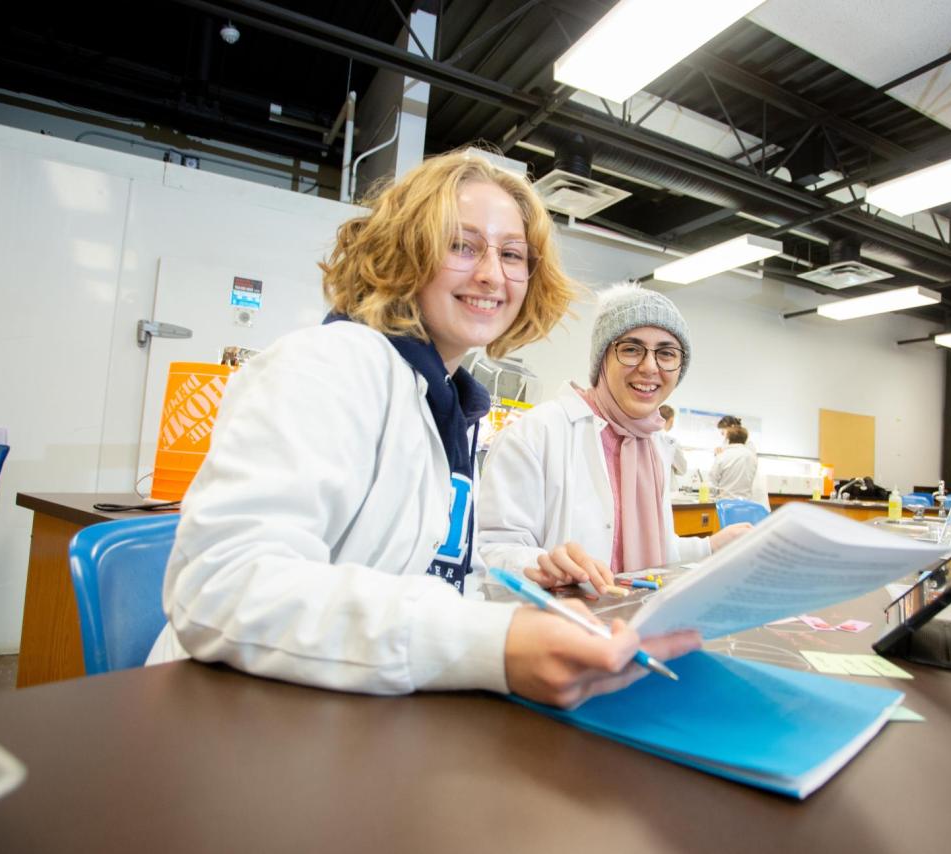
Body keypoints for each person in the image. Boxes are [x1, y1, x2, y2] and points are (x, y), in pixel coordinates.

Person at [145, 150, 699, 709]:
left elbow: (421, 572)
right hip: (224, 718)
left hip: (341, 711)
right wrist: (494, 643)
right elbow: (221, 588)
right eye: (461, 245)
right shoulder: (327, 365)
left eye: (511, 254)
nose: (491, 273)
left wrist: (533, 576)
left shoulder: (445, 405)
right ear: (405, 250)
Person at [478, 283, 751, 592]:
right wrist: (544, 564)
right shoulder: (537, 433)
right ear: (602, 359)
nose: (649, 367)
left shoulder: (654, 446)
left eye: (666, 353)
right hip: (558, 628)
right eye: (631, 349)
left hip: (637, 624)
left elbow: (648, 549)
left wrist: (710, 547)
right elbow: (490, 550)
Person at [709, 425, 759, 501]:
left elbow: (712, 480)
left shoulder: (723, 455)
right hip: (745, 502)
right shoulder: (752, 456)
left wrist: (717, 457)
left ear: (728, 438)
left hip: (726, 502)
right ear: (745, 439)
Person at [657, 403, 688, 492]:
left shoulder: (645, 437)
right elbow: (682, 469)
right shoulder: (671, 442)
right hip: (668, 491)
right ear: (671, 420)